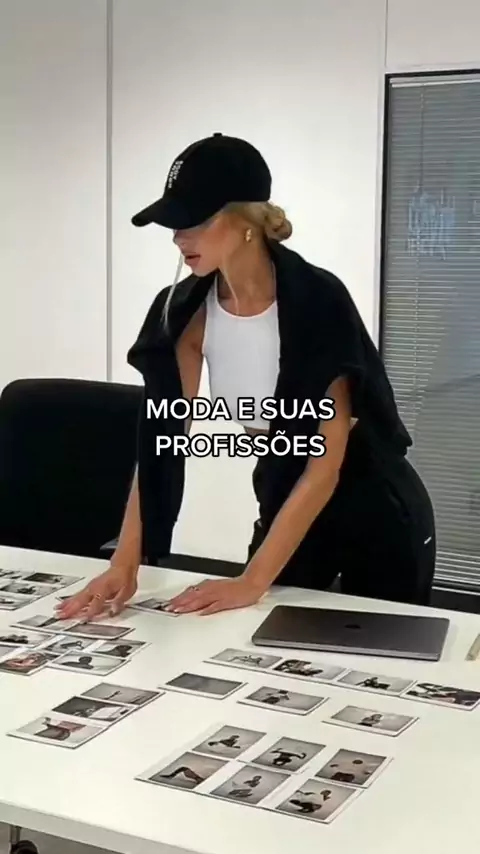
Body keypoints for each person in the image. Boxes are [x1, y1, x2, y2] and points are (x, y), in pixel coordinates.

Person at [56, 132, 436, 623]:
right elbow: (161, 445)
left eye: (194, 222)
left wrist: (253, 580)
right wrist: (125, 562)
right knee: (255, 635)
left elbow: (325, 466)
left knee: (380, 653)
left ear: (246, 222)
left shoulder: (316, 302)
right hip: (281, 489)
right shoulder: (184, 313)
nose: (179, 238)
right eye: (175, 224)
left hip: (373, 501)